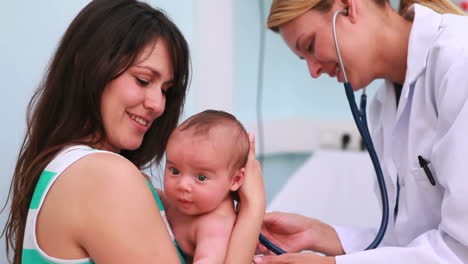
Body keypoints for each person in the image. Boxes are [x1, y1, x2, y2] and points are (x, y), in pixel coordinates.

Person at [1, 0, 265, 263]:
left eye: (165, 90)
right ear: (89, 65)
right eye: (143, 80)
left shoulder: (75, 171)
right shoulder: (104, 177)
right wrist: (252, 212)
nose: (158, 104)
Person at [253, 0, 468, 263]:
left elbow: (460, 248)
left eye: (310, 46)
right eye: (303, 59)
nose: (313, 71)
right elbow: (404, 241)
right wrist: (321, 234)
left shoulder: (459, 61)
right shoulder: (382, 107)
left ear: (348, 7)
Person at [157, 109, 250, 263]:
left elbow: (208, 259)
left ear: (235, 180)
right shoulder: (189, 202)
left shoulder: (215, 224)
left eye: (201, 177)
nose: (183, 185)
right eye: (175, 171)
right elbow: (168, 208)